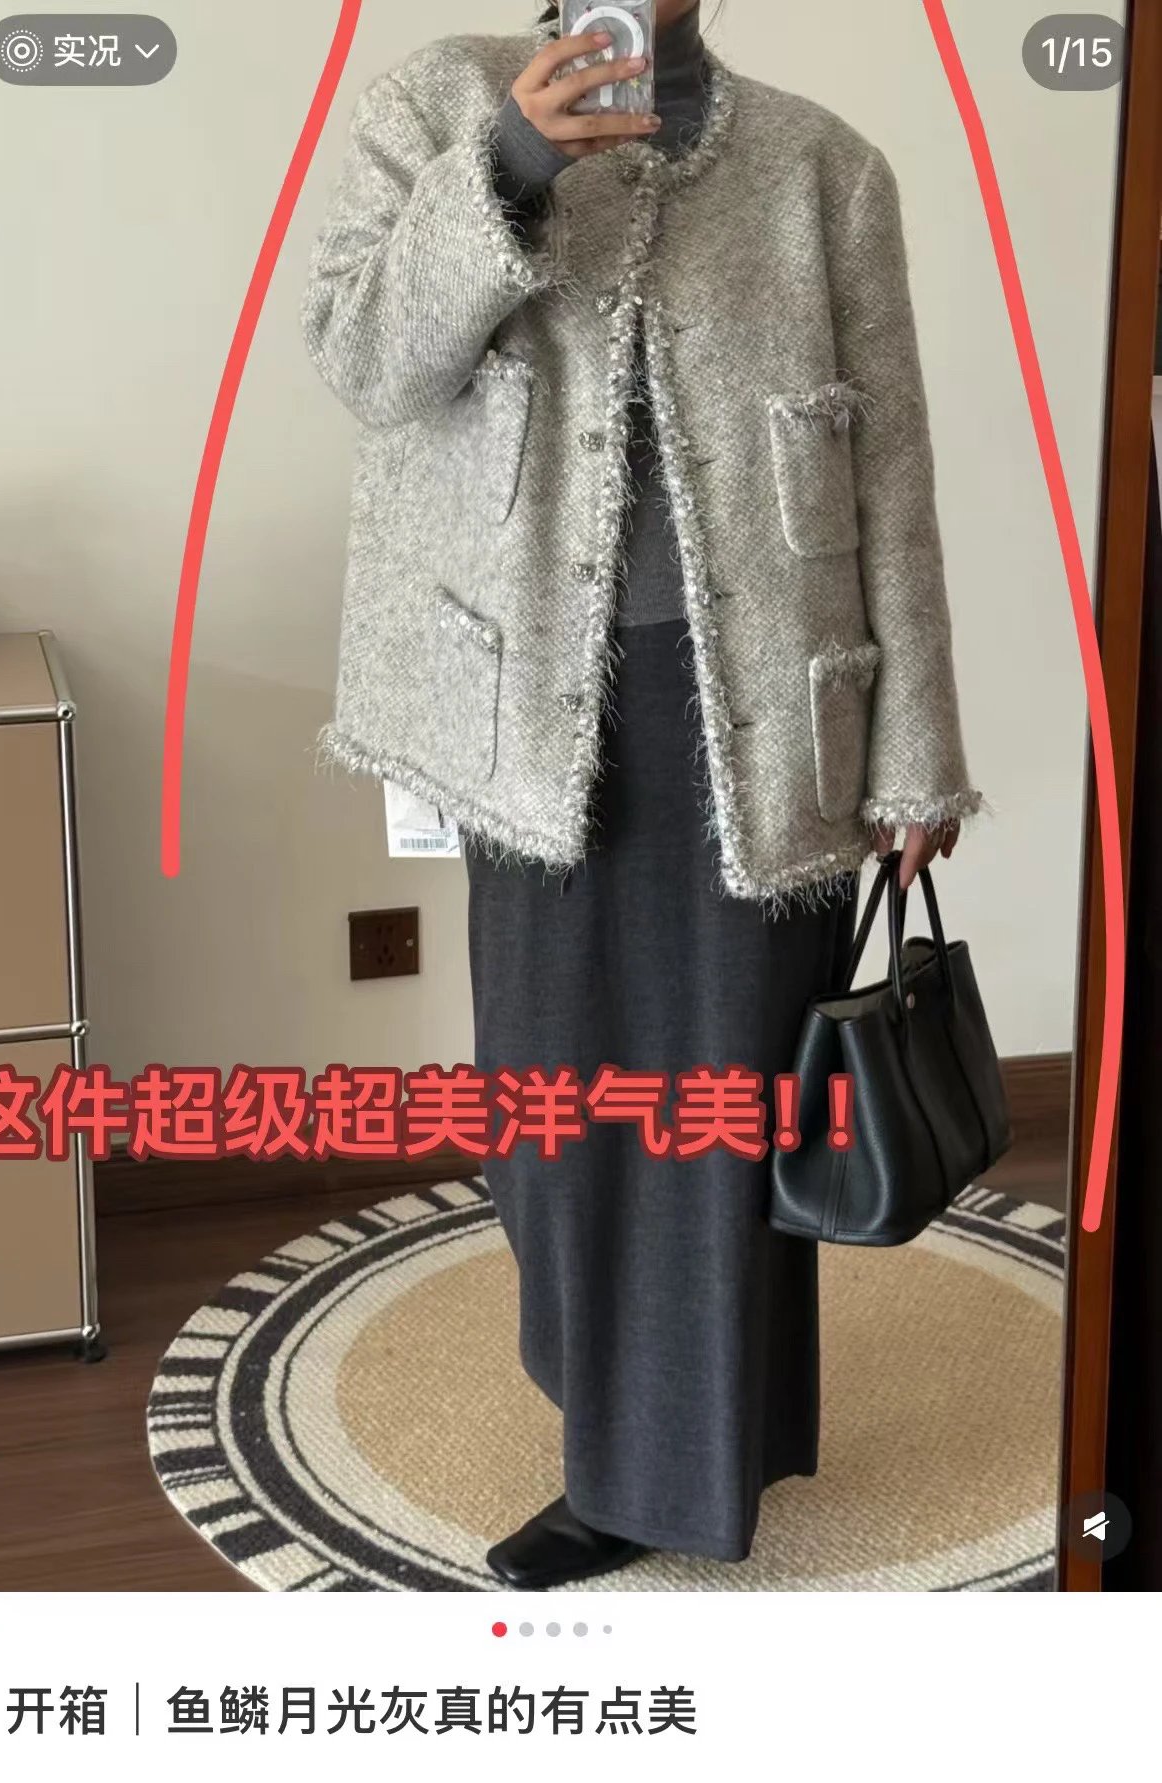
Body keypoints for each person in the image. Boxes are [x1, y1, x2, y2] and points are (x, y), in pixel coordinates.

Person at [302, 0, 978, 1588]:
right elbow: (365, 363)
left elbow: (887, 469)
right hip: (522, 713)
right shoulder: (437, 103)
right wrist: (508, 166)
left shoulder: (823, 168)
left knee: (732, 1118)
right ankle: (650, 1429)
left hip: (764, 716)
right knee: (559, 1122)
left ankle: (659, 1476)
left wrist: (912, 749)